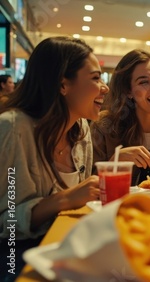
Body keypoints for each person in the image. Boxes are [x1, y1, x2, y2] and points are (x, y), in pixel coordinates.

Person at [0, 37, 107, 280]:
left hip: (67, 248)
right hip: (16, 256)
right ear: (62, 85)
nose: (105, 87)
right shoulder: (12, 129)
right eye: (95, 78)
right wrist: (65, 198)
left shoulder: (81, 130)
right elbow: (4, 222)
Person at [91, 49, 150, 186]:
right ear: (128, 91)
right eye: (143, 82)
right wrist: (115, 161)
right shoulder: (104, 126)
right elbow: (89, 184)